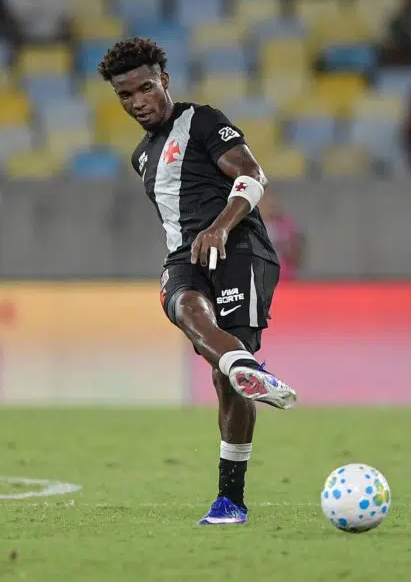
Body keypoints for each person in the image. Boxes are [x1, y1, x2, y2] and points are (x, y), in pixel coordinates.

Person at [97, 38, 296, 526]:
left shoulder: (204, 121)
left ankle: (231, 500)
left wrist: (220, 227)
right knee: (182, 303)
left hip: (240, 249)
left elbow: (252, 177)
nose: (137, 102)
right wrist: (197, 240)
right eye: (125, 96)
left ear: (163, 80)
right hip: (185, 256)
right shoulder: (141, 157)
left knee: (225, 383)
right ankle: (244, 363)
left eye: (145, 88)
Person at [258, 193, 303, 280]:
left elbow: (296, 252)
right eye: (267, 204)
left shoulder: (286, 223)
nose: (271, 207)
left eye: (273, 205)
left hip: (284, 275)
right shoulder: (252, 224)